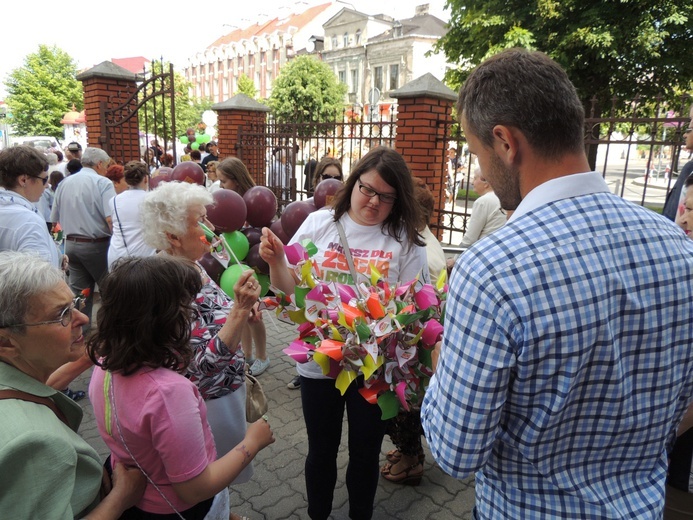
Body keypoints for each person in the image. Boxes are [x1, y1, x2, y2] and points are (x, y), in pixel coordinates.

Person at [420, 48, 693, 519]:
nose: (481, 171)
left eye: (476, 152)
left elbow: (455, 453)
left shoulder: (492, 270)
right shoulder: (678, 246)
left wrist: (444, 361)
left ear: (505, 142)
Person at [259, 146, 429, 520]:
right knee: (321, 450)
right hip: (320, 361)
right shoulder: (320, 224)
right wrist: (275, 261)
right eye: (368, 189)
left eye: (387, 196)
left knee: (365, 454)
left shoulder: (403, 240)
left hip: (374, 367)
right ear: (353, 182)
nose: (373, 201)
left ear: (398, 199)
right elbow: (290, 292)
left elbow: (414, 309)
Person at [88, 255, 274, 519]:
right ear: (164, 321)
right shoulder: (169, 392)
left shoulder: (105, 363)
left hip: (139, 492)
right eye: (185, 310)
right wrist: (253, 441)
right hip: (178, 508)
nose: (189, 317)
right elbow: (194, 489)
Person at [0, 251, 146, 519]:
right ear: (6, 342)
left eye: (75, 303)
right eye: (62, 314)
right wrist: (121, 498)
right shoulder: (32, 443)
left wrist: (87, 357)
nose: (83, 319)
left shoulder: (17, 373)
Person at [139, 181, 261, 473]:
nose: (211, 228)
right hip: (207, 402)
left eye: (207, 217)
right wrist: (240, 311)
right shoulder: (168, 285)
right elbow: (202, 365)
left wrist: (240, 311)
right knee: (211, 473)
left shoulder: (190, 264)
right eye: (200, 221)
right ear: (173, 236)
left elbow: (209, 316)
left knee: (222, 478)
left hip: (224, 392)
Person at [216, 157, 270, 376]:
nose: (220, 186)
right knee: (241, 313)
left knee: (254, 316)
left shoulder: (253, 201)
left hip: (252, 265)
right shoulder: (224, 203)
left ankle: (263, 356)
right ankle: (246, 355)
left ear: (236, 181)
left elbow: (261, 233)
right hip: (233, 266)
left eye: (224, 182)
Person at [51, 147, 116, 328]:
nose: (108, 169)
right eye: (107, 165)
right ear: (99, 164)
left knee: (80, 295)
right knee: (110, 292)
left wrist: (58, 247)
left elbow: (53, 219)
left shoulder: (65, 183)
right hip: (98, 246)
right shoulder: (103, 183)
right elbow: (111, 219)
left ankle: (79, 333)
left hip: (71, 245)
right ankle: (110, 333)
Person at [0, 146, 61, 268]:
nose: (47, 185)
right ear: (23, 180)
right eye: (44, 179)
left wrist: (57, 256)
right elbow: (41, 279)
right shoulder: (29, 222)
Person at [445, 166, 506, 271]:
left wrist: (454, 260)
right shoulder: (502, 198)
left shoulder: (483, 201)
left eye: (475, 178)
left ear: (485, 182)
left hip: (483, 257)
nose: (472, 182)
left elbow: (470, 238)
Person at [107, 161, 155, 270]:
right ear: (146, 179)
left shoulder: (114, 200)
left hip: (117, 253)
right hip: (143, 255)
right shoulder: (152, 199)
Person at [663, 125, 693, 221]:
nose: (684, 135)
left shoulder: (689, 168)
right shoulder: (689, 167)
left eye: (689, 129)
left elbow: (672, 216)